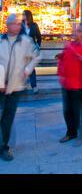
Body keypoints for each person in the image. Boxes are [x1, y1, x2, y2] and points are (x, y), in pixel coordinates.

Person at [0, 14, 41, 161]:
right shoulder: (1, 41)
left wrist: (27, 70)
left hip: (16, 86)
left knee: (8, 118)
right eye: (15, 24)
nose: (18, 26)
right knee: (2, 117)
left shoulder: (25, 41)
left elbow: (36, 56)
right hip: (1, 86)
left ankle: (4, 146)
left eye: (19, 24)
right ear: (8, 25)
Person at [57, 23, 82, 143]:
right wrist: (61, 74)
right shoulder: (71, 44)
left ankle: (79, 131)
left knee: (77, 109)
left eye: (77, 31)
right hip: (67, 83)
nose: (74, 33)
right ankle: (70, 132)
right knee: (67, 110)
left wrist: (69, 47)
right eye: (74, 31)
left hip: (79, 84)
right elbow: (64, 59)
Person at [21, 10, 42, 94]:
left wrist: (38, 46)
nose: (22, 16)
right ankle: (23, 85)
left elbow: (39, 37)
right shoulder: (20, 25)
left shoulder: (34, 25)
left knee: (31, 68)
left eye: (24, 15)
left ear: (28, 16)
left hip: (31, 50)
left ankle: (34, 86)